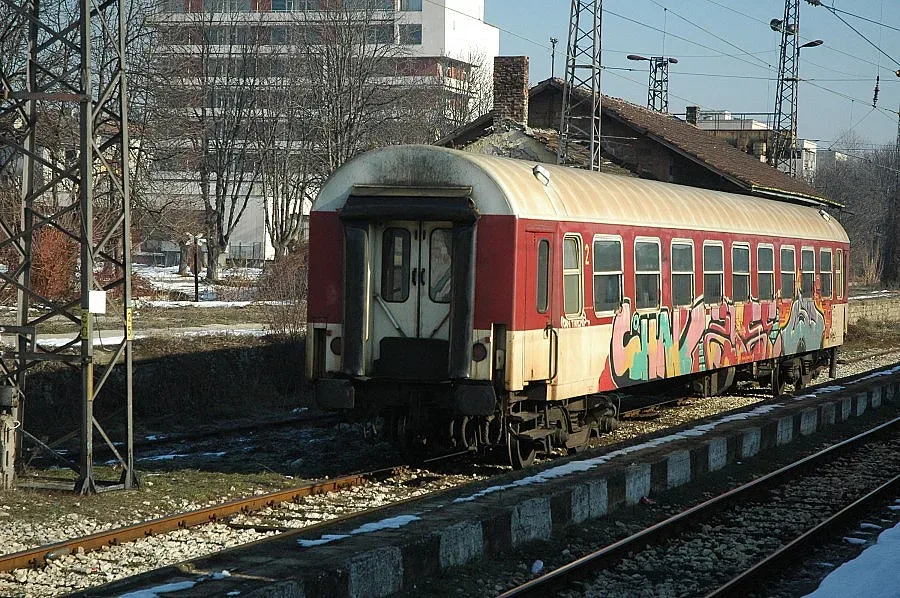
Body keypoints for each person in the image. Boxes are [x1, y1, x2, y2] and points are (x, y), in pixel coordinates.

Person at [430, 230, 452, 302]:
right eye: (433, 240)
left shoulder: (448, 263)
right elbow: (432, 282)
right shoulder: (428, 260)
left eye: (438, 240)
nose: (435, 243)